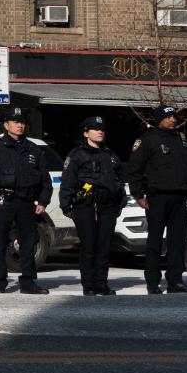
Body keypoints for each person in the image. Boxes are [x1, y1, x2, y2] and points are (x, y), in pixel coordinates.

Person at [124, 105, 187, 294]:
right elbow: (134, 170)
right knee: (155, 241)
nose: (173, 120)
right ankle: (153, 282)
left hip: (179, 198)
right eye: (169, 117)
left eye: (175, 117)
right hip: (157, 197)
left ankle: (175, 281)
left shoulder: (184, 142)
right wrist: (138, 195)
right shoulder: (147, 140)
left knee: (177, 242)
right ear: (159, 119)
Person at [0, 107, 52, 294]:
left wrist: (43, 201)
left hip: (27, 202)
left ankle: (28, 282)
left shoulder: (33, 149)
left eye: (22, 122)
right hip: (3, 201)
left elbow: (45, 179)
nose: (19, 125)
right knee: (0, 242)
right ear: (6, 125)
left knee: (28, 243)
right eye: (15, 122)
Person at [59, 116, 125, 296]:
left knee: (104, 247)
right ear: (86, 133)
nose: (100, 131)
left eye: (102, 128)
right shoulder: (77, 155)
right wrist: (67, 206)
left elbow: (119, 179)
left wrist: (120, 202)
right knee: (89, 246)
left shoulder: (110, 155)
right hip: (85, 206)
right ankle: (88, 284)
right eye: (96, 129)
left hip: (107, 207)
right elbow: (68, 181)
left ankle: (101, 283)